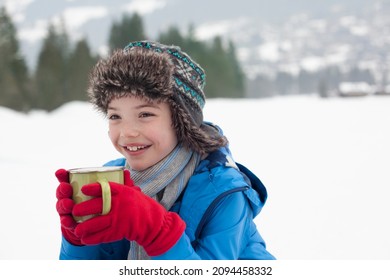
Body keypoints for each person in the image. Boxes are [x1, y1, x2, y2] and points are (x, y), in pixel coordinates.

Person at [55, 41, 275, 260]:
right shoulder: (113, 178)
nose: (127, 132)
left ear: (181, 122)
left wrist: (156, 231)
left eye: (145, 114)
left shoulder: (224, 191)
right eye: (115, 116)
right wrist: (79, 239)